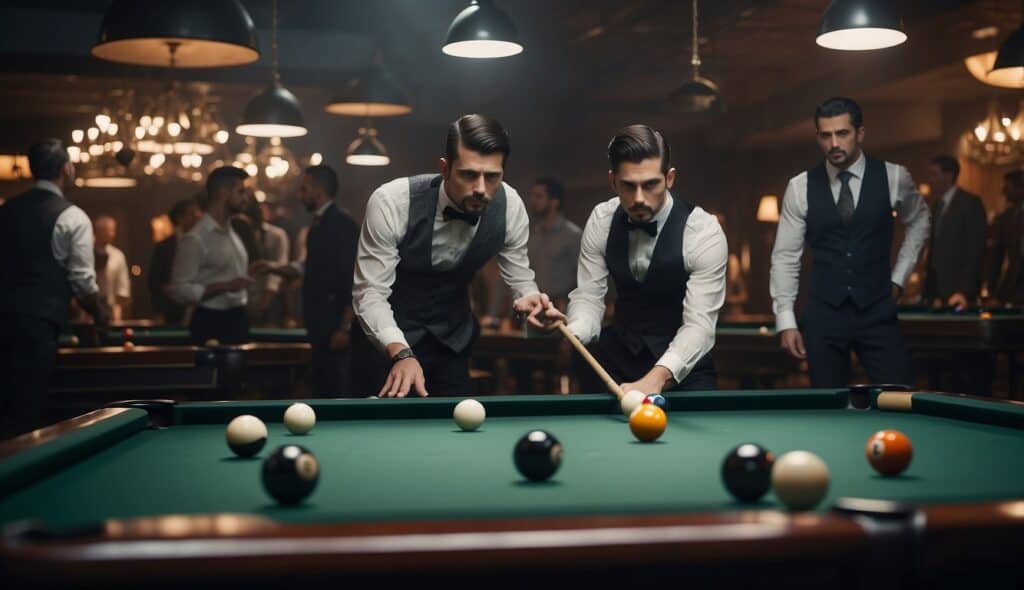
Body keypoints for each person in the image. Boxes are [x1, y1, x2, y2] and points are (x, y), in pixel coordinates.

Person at [351, 114, 560, 397]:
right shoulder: (392, 202)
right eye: (469, 174)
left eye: (492, 176)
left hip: (451, 345)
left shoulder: (510, 207)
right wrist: (400, 353)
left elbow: (520, 277)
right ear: (445, 168)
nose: (481, 189)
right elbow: (370, 293)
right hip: (385, 345)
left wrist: (530, 298)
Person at [770, 97, 930, 387]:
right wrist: (785, 318)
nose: (833, 144)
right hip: (823, 313)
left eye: (842, 133)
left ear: (860, 133)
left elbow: (920, 221)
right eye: (825, 135)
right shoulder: (800, 186)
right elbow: (785, 256)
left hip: (877, 309)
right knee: (827, 408)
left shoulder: (894, 176)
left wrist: (900, 277)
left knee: (899, 394)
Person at [566, 125, 726, 394]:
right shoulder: (602, 219)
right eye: (629, 186)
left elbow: (699, 327)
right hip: (615, 362)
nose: (639, 198)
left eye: (651, 184)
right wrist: (574, 331)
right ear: (613, 181)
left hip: (684, 370)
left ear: (670, 178)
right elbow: (589, 297)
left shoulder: (703, 231)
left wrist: (654, 380)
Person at [0, 139, 108, 439]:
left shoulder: (6, 209)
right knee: (27, 413)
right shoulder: (73, 216)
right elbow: (83, 282)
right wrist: (102, 316)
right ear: (66, 169)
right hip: (37, 328)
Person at [253, 165, 359, 397]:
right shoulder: (317, 225)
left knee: (336, 389)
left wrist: (345, 326)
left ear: (317, 191)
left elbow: (355, 277)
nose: (300, 195)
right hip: (319, 325)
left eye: (304, 189)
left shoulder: (342, 224)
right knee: (322, 386)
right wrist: (273, 267)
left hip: (335, 327)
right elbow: (308, 267)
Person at [168, 166, 254, 344]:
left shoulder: (234, 232)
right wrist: (223, 287)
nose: (246, 198)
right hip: (211, 321)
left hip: (238, 318)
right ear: (224, 194)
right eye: (241, 192)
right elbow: (178, 289)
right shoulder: (195, 238)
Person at [922, 155, 986, 309]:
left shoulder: (970, 203)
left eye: (934, 174)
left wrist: (964, 290)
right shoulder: (937, 205)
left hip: (960, 292)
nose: (930, 179)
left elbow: (975, 250)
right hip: (936, 291)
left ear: (949, 175)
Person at [148, 198, 202, 325]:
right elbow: (154, 281)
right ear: (179, 218)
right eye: (191, 214)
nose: (196, 217)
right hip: (171, 310)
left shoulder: (204, 243)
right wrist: (159, 312)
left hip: (199, 308)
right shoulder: (164, 246)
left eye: (196, 213)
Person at [240, 193, 289, 326]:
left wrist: (267, 298)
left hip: (271, 303)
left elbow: (280, 267)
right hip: (240, 301)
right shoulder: (235, 234)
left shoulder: (277, 235)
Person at [988, 169, 1024, 307]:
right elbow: (997, 257)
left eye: (1007, 188)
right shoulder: (1005, 218)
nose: (1003, 192)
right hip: (1014, 289)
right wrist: (994, 293)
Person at [93, 215, 131, 321]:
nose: (112, 234)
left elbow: (122, 286)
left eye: (113, 231)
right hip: (88, 306)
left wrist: (117, 310)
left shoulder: (118, 255)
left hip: (110, 308)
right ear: (97, 231)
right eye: (108, 231)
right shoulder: (85, 253)